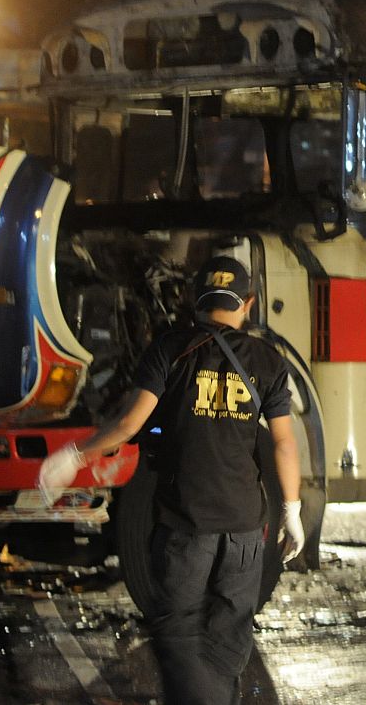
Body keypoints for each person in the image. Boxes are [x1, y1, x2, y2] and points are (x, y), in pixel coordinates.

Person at [38, 255, 303, 705]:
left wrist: (75, 455)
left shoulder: (170, 349)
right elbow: (283, 444)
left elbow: (128, 425)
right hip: (243, 529)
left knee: (176, 631)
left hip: (186, 527)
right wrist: (291, 511)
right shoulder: (268, 361)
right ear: (249, 303)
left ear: (194, 301)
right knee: (229, 636)